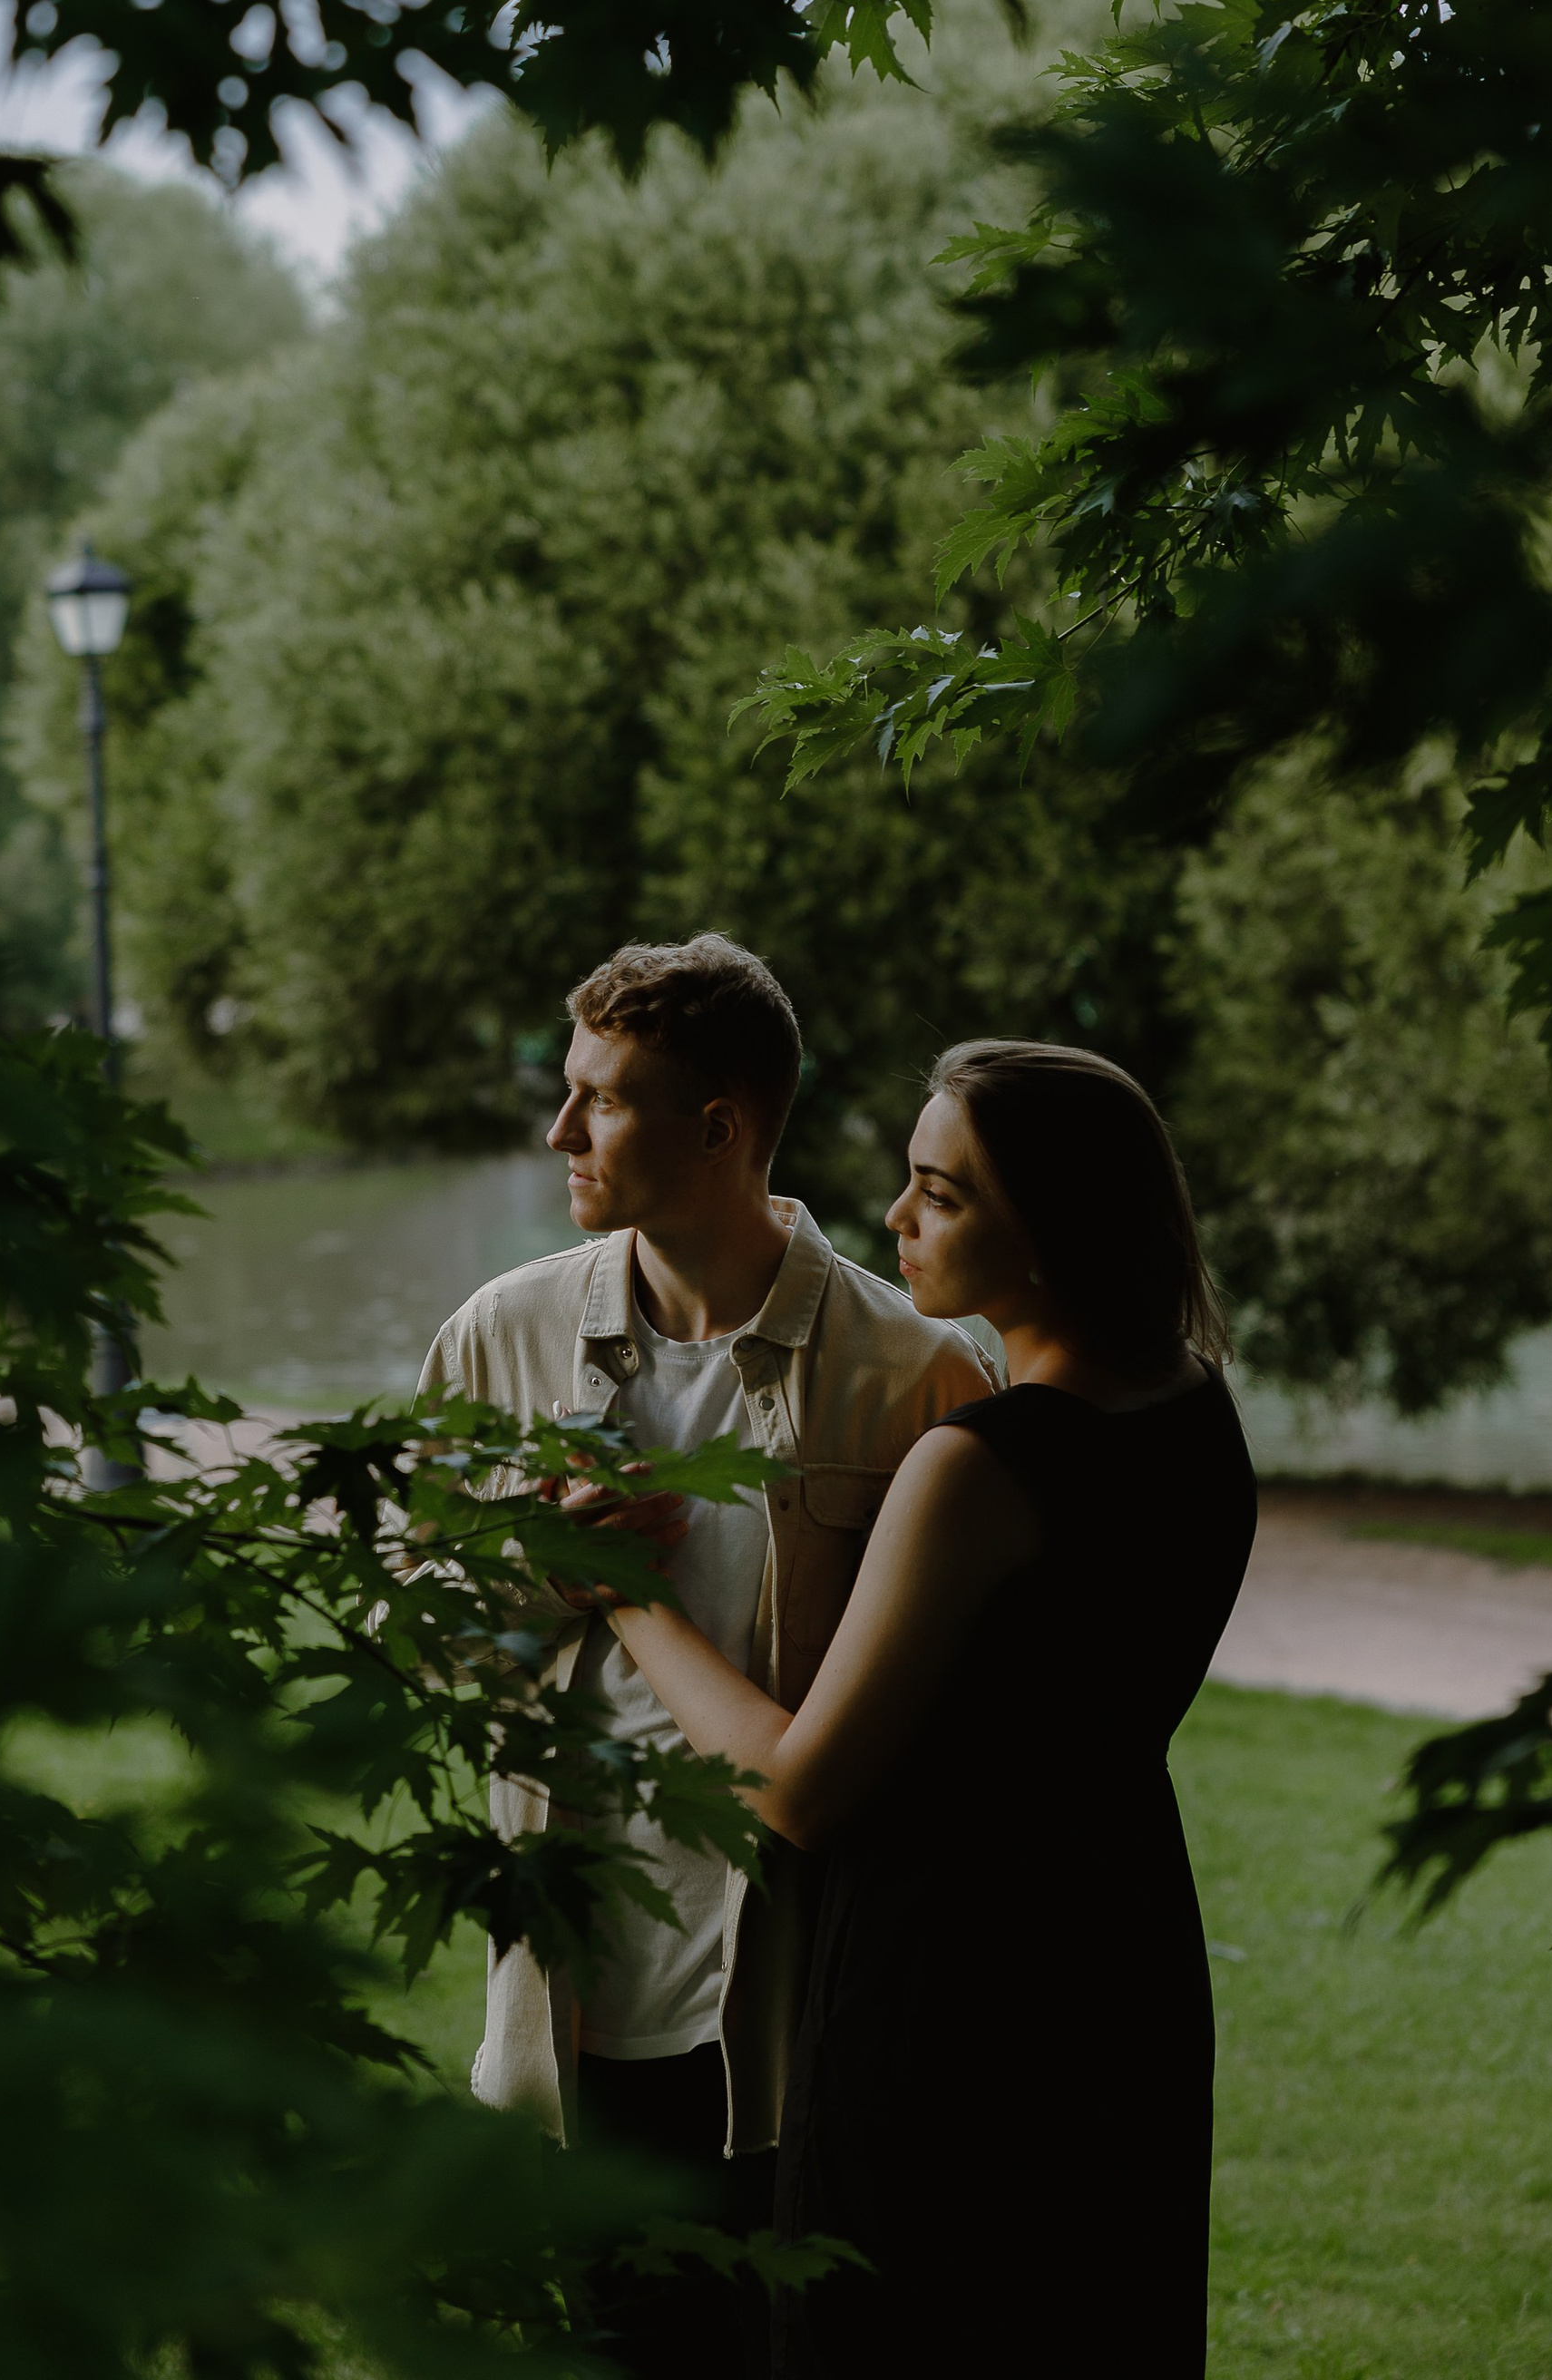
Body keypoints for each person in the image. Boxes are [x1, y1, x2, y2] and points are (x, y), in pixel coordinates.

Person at [568, 1038, 1256, 2380]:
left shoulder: (980, 1468)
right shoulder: (1192, 1408)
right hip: (1121, 1955)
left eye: (941, 1194)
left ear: (1051, 1231)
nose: (894, 1217)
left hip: (951, 1995)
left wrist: (627, 1594)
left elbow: (797, 1792)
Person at [419, 935, 991, 2380]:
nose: (560, 1130)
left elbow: (955, 1745)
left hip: (804, 2038)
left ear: (720, 1127)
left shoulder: (914, 1375)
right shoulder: (496, 1343)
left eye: (603, 1100)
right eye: (570, 1089)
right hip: (567, 2029)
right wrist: (538, 1578)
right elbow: (415, 1651)